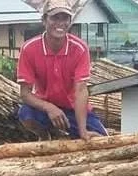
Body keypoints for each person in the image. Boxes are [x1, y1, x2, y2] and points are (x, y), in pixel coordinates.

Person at [16, 0, 108, 141]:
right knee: (25, 113)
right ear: (44, 20)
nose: (60, 23)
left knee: (101, 138)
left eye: (65, 18)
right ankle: (45, 136)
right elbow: (25, 93)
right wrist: (49, 108)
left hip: (73, 110)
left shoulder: (79, 49)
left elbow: (81, 91)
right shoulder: (29, 49)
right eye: (54, 17)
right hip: (45, 109)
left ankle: (72, 133)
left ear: (70, 22)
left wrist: (83, 131)